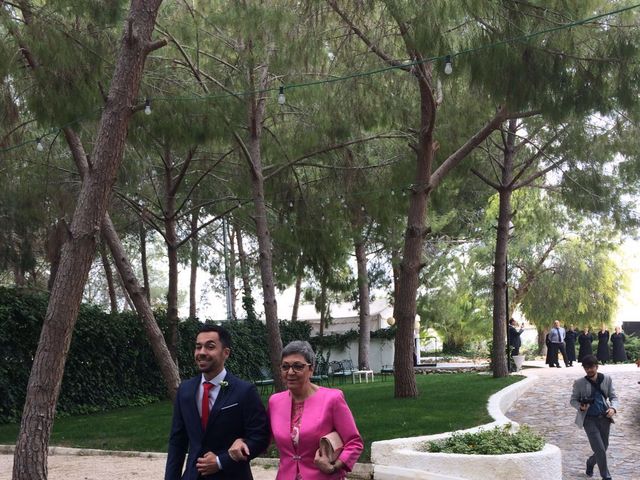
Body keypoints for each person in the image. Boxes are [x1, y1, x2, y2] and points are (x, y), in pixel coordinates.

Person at [232, 341, 363, 479]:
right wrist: (242, 441)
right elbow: (264, 437)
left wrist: (334, 466)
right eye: (285, 366)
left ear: (311, 369)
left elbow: (354, 442)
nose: (290, 372)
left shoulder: (332, 398)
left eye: (298, 366)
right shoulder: (275, 401)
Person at [165, 324, 269, 480]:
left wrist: (221, 461)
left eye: (210, 347)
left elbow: (260, 438)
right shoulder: (185, 390)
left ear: (225, 353)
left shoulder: (244, 391)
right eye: (198, 347)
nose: (201, 352)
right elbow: (177, 442)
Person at [570, 354, 618, 480]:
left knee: (604, 447)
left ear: (597, 366)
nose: (589, 370)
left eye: (591, 367)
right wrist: (580, 406)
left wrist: (613, 408)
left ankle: (590, 462)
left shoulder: (607, 379)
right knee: (600, 449)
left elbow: (614, 397)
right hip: (588, 420)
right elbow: (573, 400)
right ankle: (606, 477)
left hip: (605, 418)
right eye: (586, 368)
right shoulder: (579, 383)